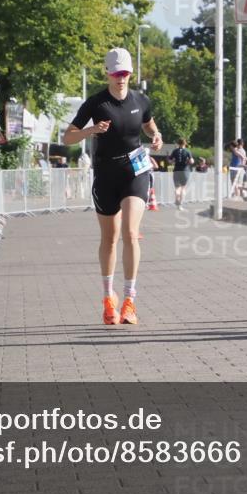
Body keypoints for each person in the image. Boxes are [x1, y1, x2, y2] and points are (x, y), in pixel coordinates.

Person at [62, 47, 163, 326]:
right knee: (110, 238)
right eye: (116, 73)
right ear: (107, 73)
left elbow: (149, 124)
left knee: (131, 232)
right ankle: (109, 298)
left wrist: (156, 136)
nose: (121, 79)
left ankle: (130, 300)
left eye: (126, 74)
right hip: (106, 175)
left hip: (135, 171)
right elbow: (68, 137)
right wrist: (91, 131)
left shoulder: (140, 100)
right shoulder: (95, 104)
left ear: (131, 74)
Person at [169, 138, 194, 210]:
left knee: (177, 188)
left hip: (176, 170)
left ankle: (177, 196)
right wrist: (189, 161)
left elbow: (170, 161)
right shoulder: (187, 151)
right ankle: (180, 204)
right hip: (185, 171)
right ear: (185, 143)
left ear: (178, 143)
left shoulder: (175, 151)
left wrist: (174, 162)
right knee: (183, 188)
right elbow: (192, 161)